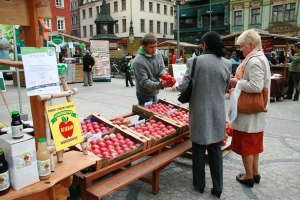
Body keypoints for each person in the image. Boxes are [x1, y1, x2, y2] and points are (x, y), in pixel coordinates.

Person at [178, 31, 231, 198]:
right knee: (216, 149)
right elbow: (225, 88)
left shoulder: (194, 61)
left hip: (199, 111)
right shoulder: (227, 63)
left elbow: (183, 86)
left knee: (199, 148)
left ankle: (199, 185)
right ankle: (218, 187)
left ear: (205, 44)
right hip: (217, 111)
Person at [230, 29, 271, 188]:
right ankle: (255, 172)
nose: (241, 49)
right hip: (257, 109)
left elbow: (255, 86)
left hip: (250, 110)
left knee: (247, 144)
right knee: (254, 144)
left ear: (251, 45)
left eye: (242, 46)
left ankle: (248, 176)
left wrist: (237, 83)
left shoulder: (253, 61)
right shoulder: (261, 58)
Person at [132, 33, 172, 107]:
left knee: (153, 112)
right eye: (151, 47)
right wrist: (160, 84)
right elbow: (144, 82)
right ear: (144, 47)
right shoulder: (138, 62)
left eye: (155, 46)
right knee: (145, 115)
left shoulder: (158, 53)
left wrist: (164, 75)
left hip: (155, 90)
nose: (154, 49)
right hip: (144, 94)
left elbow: (162, 68)